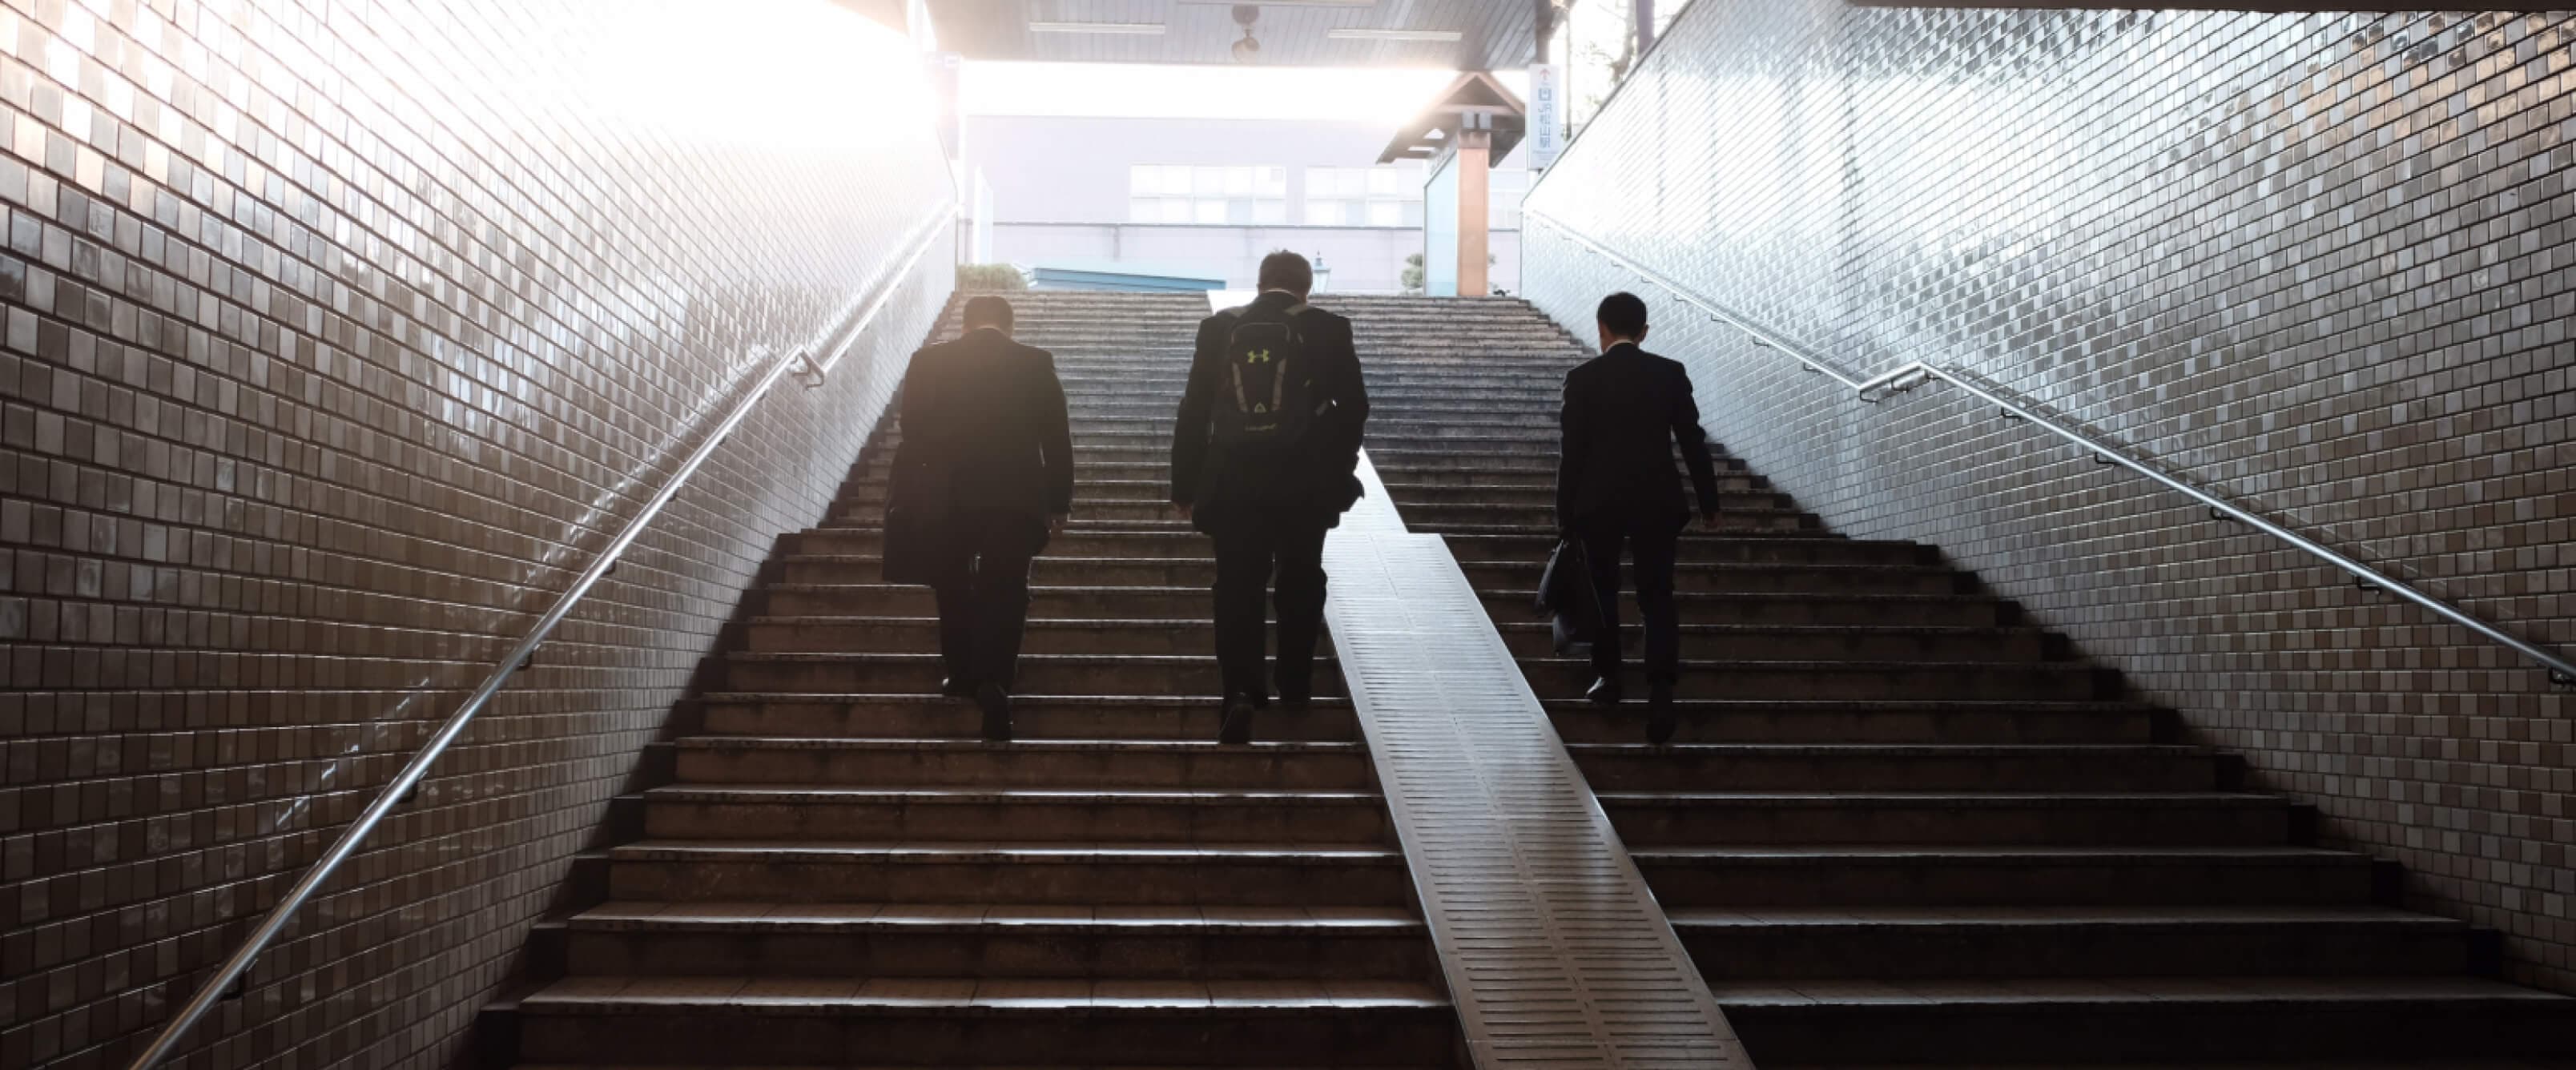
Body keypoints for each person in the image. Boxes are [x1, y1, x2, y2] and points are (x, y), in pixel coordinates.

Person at [1171, 251, 1369, 745]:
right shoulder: (1328, 327)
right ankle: (1295, 685)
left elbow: (1194, 410)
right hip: (1304, 487)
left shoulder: (1218, 329)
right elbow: (1355, 408)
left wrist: (1185, 485)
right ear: (1306, 288)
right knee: (1301, 579)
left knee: (1237, 586)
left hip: (1233, 486)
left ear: (1259, 285)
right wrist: (1338, 471)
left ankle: (1240, 690)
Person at [888, 295, 1073, 742]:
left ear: (966, 324)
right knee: (1005, 587)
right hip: (1016, 497)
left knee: (952, 584)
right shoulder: (1034, 361)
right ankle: (995, 680)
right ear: (1008, 327)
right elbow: (1057, 435)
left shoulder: (928, 360)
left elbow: (911, 427)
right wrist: (1059, 502)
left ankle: (962, 675)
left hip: (946, 496)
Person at [1556, 292, 1721, 745]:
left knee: (1604, 591)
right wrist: (1709, 501)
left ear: (1601, 329)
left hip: (1598, 504)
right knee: (1657, 595)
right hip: (1657, 502)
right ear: (1644, 332)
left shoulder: (1582, 379)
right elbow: (1692, 440)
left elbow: (1572, 455)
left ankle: (1609, 680)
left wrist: (1564, 512)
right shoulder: (1669, 374)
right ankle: (1662, 689)